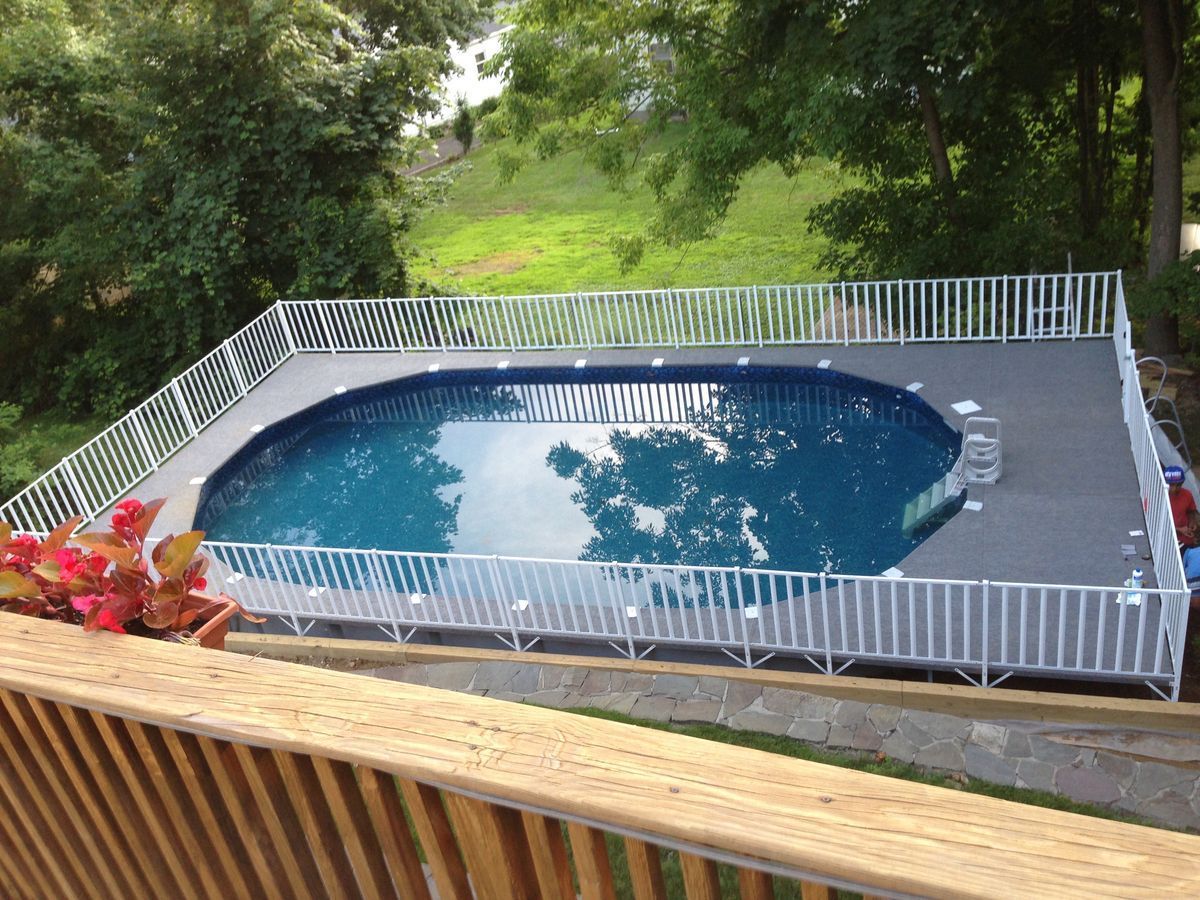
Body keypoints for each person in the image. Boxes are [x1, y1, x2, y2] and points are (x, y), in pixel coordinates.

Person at [1165, 465, 1199, 548]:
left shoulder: (1187, 494)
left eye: (1179, 485)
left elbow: (1191, 512)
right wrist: (1179, 529)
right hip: (1166, 540)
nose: (1175, 488)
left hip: (1186, 541)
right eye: (1172, 485)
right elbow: (1156, 523)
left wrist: (1192, 523)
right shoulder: (1159, 496)